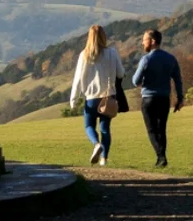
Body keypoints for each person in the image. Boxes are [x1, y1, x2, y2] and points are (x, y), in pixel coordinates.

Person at [67, 24, 125, 166]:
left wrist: (73, 99)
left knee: (89, 126)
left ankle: (96, 143)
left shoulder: (84, 55)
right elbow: (121, 73)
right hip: (108, 97)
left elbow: (78, 79)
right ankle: (104, 159)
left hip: (91, 98)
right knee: (105, 129)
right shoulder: (112, 52)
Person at [128, 28, 185, 168]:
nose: (142, 43)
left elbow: (135, 81)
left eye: (144, 39)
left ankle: (161, 157)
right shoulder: (171, 58)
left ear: (152, 41)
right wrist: (180, 98)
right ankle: (161, 158)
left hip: (148, 99)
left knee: (152, 130)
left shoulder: (146, 59)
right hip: (164, 99)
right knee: (161, 129)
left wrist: (144, 81)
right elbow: (178, 80)